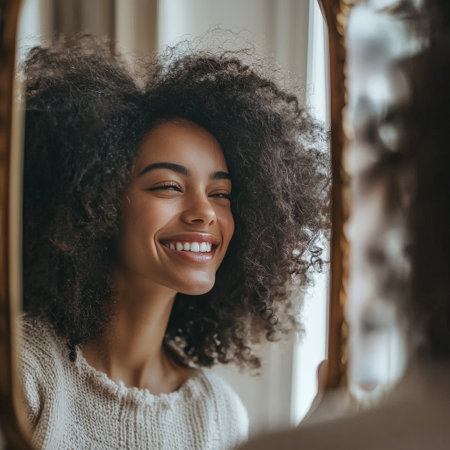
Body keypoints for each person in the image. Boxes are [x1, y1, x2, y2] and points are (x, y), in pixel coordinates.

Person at [21, 36, 329, 449]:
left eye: (220, 194)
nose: (205, 212)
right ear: (94, 200)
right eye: (168, 186)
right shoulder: (24, 370)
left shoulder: (219, 413)